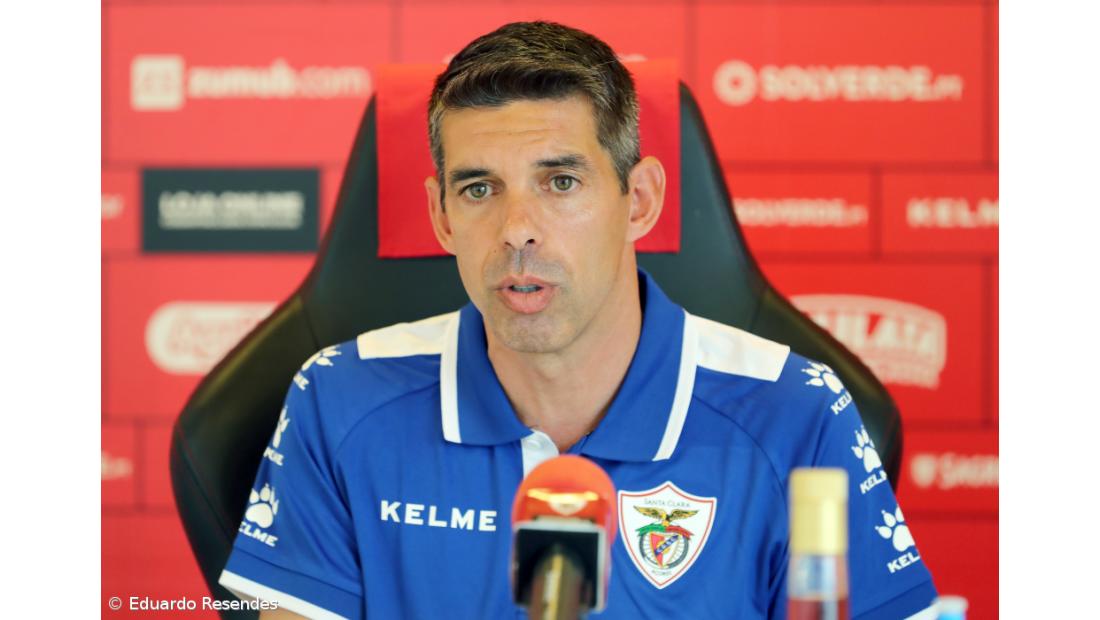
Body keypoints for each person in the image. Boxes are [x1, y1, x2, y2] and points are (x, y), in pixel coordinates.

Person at [218, 21, 937, 619]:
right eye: (479, 189)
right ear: (441, 216)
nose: (517, 229)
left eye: (560, 182)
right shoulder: (339, 399)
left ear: (640, 201)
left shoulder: (797, 413)